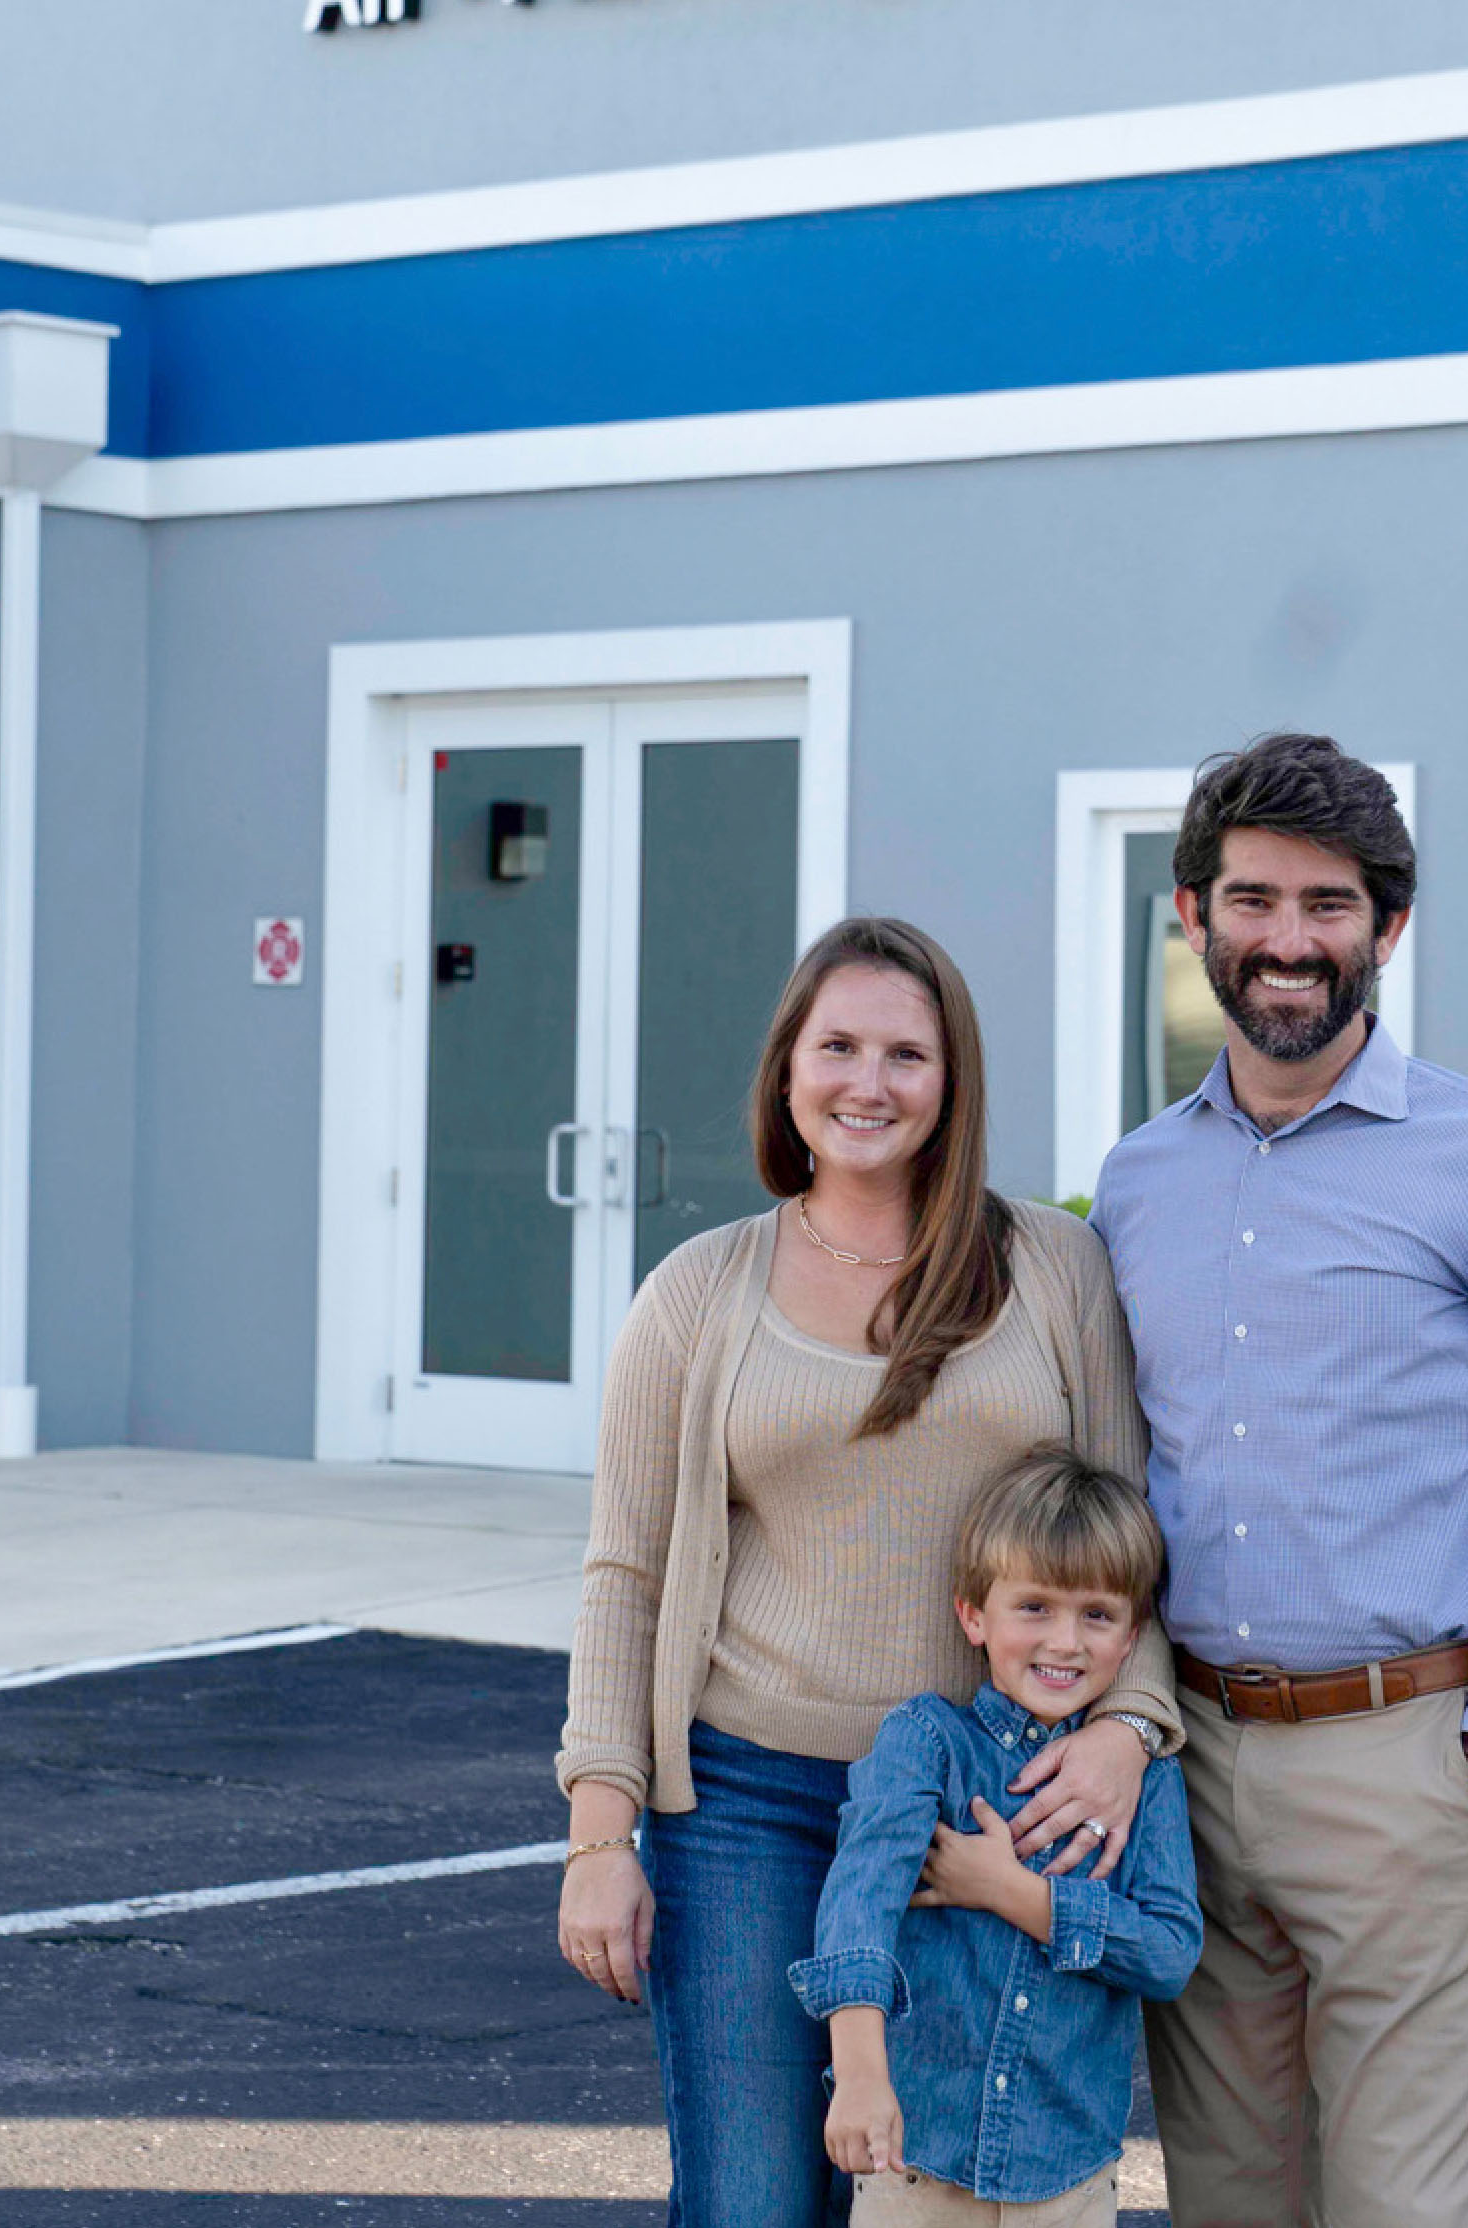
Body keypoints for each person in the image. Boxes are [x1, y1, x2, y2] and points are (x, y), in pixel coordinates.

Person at [1093, 732, 1468, 2228]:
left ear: (1386, 927)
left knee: (1404, 2208)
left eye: (1328, 905)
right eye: (1253, 898)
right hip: (1189, 1767)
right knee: (1230, 2201)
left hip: (1410, 1762)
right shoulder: (1137, 1181)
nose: (1288, 941)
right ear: (1191, 916)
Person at [557, 915, 1180, 2228]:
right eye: (837, 1046)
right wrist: (598, 1836)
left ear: (951, 1083)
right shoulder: (694, 1295)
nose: (869, 1083)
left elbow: (1133, 1532)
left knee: (946, 2192)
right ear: (787, 1071)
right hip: (744, 1806)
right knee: (753, 2200)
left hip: (988, 1806)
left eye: (907, 1053)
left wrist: (1130, 1726)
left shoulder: (1053, 1270)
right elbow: (626, 1575)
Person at [789, 1445, 1203, 2224]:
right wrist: (860, 2075)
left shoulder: (1143, 1781)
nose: (1065, 1642)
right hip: (914, 2157)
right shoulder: (926, 1742)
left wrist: (1016, 1895)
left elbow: (1169, 1951)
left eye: (1097, 1615)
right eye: (1034, 1607)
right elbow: (860, 1901)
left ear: (1131, 1633)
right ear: (973, 1615)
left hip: (1066, 2170)